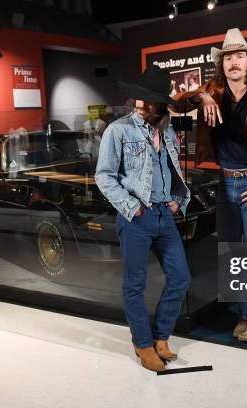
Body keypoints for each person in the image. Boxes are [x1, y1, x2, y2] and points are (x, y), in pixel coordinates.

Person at [174, 28, 247, 342]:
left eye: (239, 56)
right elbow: (175, 104)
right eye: (228, 58)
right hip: (225, 183)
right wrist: (202, 95)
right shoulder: (213, 90)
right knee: (232, 253)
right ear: (221, 64)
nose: (234, 62)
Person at [95, 66, 191, 372]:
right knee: (135, 285)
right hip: (137, 216)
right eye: (139, 96)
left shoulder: (168, 130)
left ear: (161, 104)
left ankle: (161, 337)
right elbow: (104, 176)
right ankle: (143, 343)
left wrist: (177, 201)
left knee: (180, 277)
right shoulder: (118, 130)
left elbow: (174, 169)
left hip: (165, 214)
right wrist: (132, 207)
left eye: (148, 99)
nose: (140, 102)